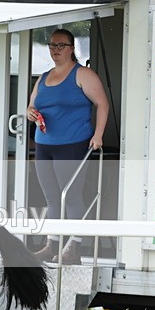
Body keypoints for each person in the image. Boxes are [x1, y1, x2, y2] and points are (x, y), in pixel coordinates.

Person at [26, 28, 108, 264]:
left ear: (72, 48)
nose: (56, 50)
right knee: (51, 197)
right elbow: (31, 107)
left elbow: (102, 105)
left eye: (61, 46)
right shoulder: (43, 77)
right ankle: (52, 244)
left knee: (71, 195)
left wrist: (98, 135)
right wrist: (30, 114)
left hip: (72, 143)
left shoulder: (82, 75)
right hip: (44, 144)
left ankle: (74, 246)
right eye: (52, 45)